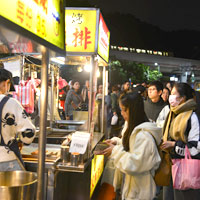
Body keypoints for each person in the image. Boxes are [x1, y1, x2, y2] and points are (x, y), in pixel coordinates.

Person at [99, 92, 162, 200]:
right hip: (131, 188)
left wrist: (115, 151)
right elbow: (132, 148)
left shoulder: (144, 136)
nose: (122, 113)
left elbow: (134, 164)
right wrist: (117, 143)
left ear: (133, 110)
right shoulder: (133, 128)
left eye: (124, 110)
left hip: (139, 192)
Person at [161, 83, 200, 200]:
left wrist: (174, 145)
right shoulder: (172, 113)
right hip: (170, 164)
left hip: (185, 168)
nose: (170, 97)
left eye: (173, 94)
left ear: (182, 98)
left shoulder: (192, 117)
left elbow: (196, 147)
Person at [0, 69, 35, 171]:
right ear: (7, 82)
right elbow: (29, 133)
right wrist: (21, 140)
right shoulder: (11, 103)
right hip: (6, 159)